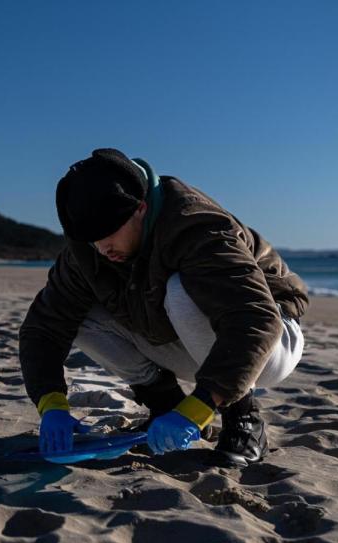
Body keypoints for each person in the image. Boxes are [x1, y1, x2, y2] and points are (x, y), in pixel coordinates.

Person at [18, 148, 308, 466]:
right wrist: (52, 404)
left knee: (181, 290)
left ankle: (243, 417)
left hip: (270, 341)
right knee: (78, 313)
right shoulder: (88, 247)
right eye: (92, 240)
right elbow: (43, 327)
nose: (102, 249)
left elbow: (254, 319)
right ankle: (164, 406)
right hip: (183, 340)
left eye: (108, 235)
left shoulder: (193, 222)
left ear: (140, 208)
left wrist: (199, 408)